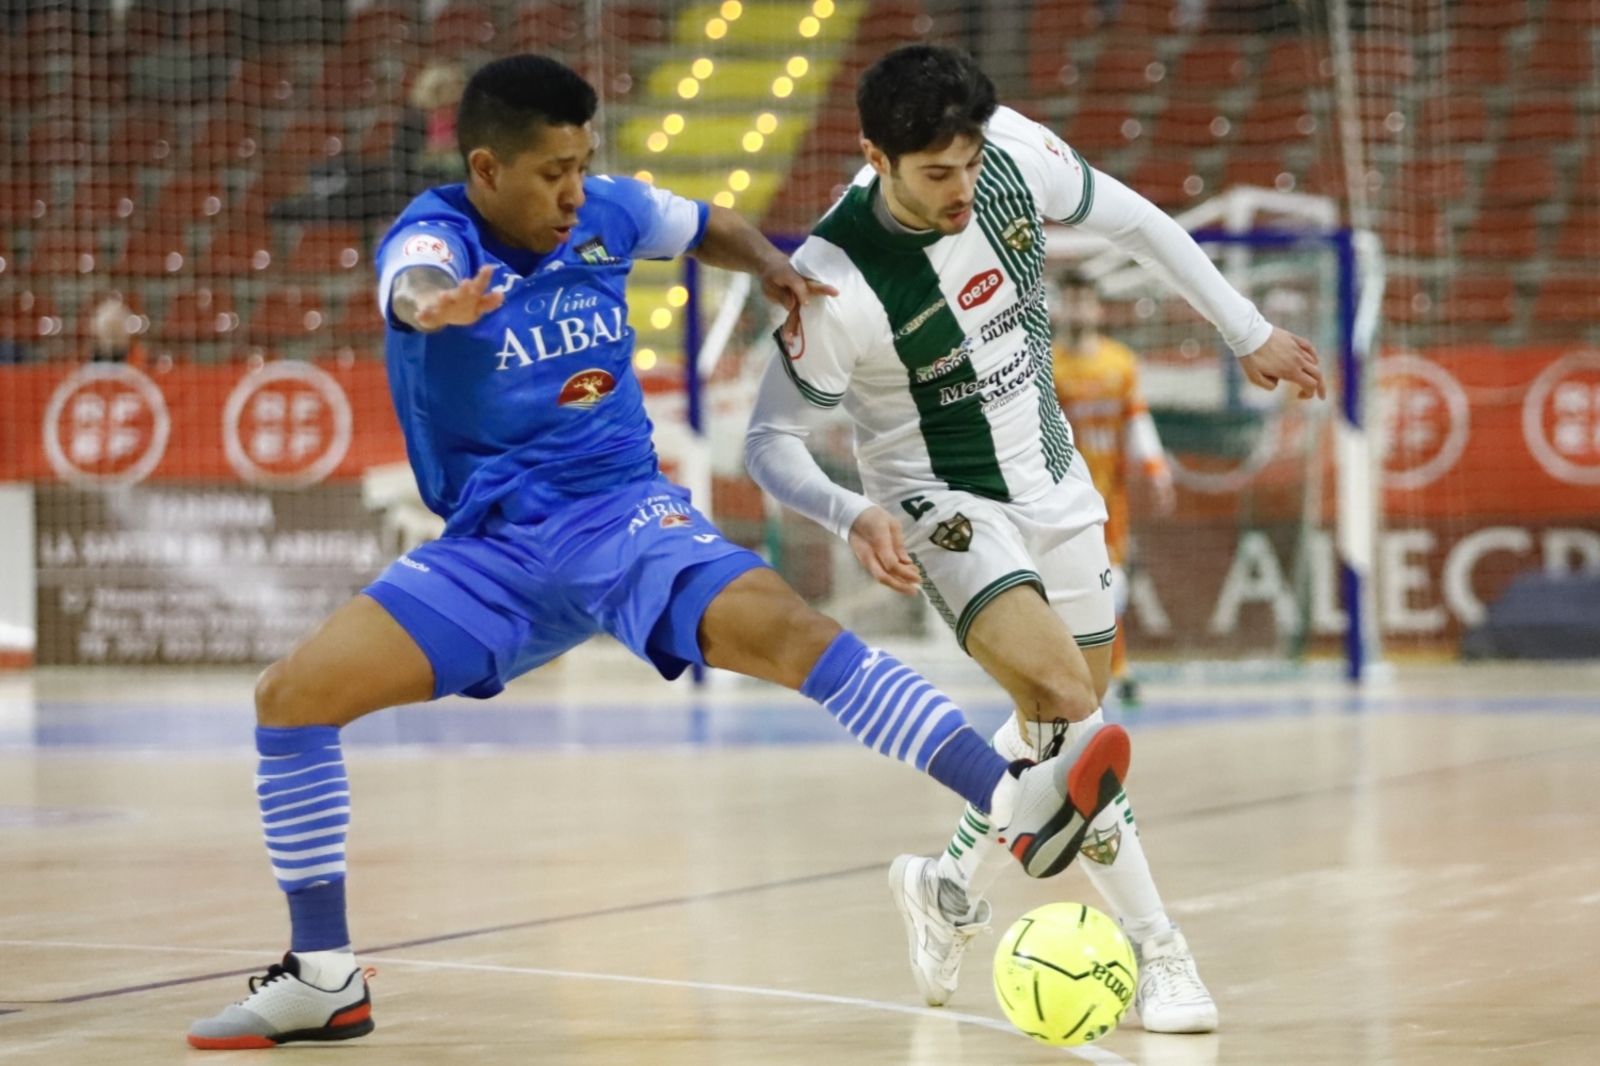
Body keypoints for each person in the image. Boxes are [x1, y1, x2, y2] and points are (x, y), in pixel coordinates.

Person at [185, 53, 1131, 1051]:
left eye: (582, 165)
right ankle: (323, 979)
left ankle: (1012, 798)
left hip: (622, 517)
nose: (573, 191)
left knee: (793, 633)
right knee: (291, 698)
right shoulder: (434, 237)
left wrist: (768, 265)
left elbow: (703, 223)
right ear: (486, 169)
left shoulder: (607, 210)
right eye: (552, 172)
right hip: (491, 552)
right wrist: (434, 308)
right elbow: (411, 282)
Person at [742, 45, 1323, 1032]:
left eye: (969, 164)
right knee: (1069, 706)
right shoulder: (835, 281)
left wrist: (1245, 329)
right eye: (937, 173)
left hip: (1055, 480)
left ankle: (946, 885)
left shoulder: (1010, 152)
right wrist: (852, 511)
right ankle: (1161, 952)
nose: (962, 189)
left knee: (1060, 727)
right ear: (875, 157)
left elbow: (1138, 222)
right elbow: (768, 442)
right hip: (939, 499)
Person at [1050, 269, 1175, 705]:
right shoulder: (1047, 365)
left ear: (1098, 308)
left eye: (1084, 301)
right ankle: (1087, 671)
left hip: (1108, 498)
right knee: (1067, 589)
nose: (1077, 310)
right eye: (1069, 301)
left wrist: (1156, 467)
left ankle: (1114, 670)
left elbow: (1136, 418)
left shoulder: (1119, 362)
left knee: (1110, 584)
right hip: (1059, 498)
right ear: (1058, 308)